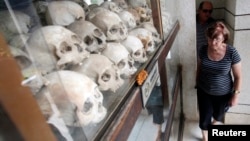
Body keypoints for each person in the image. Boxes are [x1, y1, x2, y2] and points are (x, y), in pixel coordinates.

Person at [196, 21, 242, 141]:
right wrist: (197, 82)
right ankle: (205, 137)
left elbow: (238, 76)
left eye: (217, 39)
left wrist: (235, 95)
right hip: (204, 90)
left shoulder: (232, 52)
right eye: (210, 38)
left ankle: (214, 123)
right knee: (204, 116)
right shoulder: (203, 50)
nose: (212, 43)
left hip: (224, 93)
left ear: (224, 39)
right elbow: (199, 67)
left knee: (219, 115)